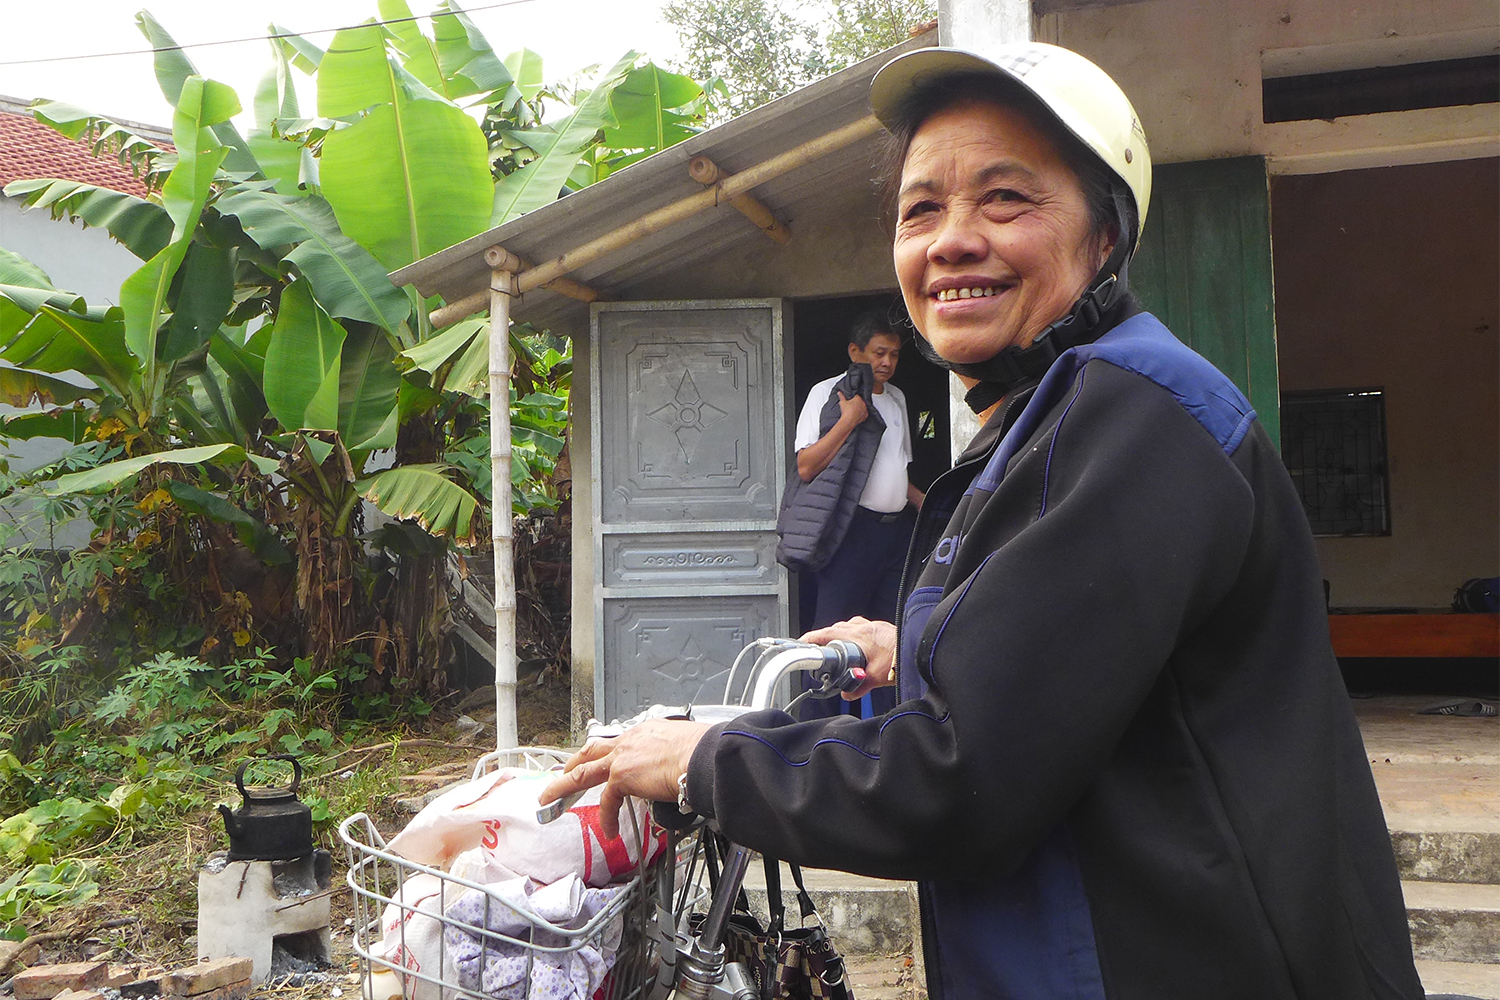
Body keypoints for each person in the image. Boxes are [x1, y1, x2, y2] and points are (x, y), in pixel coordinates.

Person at [543, 40, 1423, 1000]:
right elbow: (1068, 673)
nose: (951, 240)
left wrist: (708, 761)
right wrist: (912, 646)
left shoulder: (1133, 414)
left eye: (1006, 199)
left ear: (1106, 237)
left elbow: (960, 780)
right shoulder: (1044, 417)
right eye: (921, 208)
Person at [791, 310, 923, 719]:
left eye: (894, 355)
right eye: (879, 353)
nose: (887, 362)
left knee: (889, 638)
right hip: (849, 533)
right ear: (855, 351)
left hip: (895, 536)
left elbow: (898, 474)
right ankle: (816, 736)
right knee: (833, 637)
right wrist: (849, 420)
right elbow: (806, 467)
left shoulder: (898, 398)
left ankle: (888, 731)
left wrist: (931, 502)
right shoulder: (826, 393)